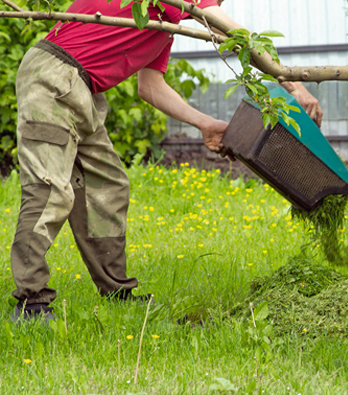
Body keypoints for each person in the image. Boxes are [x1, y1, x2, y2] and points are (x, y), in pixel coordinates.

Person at [11, 0, 323, 321]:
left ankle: (116, 290)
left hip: (81, 89)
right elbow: (232, 31)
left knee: (108, 186)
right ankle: (30, 301)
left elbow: (151, 87)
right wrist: (292, 83)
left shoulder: (162, 23)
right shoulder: (179, 3)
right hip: (54, 77)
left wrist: (205, 123)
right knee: (50, 189)